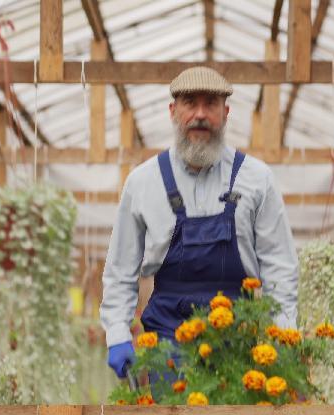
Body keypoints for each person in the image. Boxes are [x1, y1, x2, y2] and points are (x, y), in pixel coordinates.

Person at [100, 66, 298, 379]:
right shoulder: (143, 182)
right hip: (166, 341)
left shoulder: (257, 179)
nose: (201, 114)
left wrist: (283, 334)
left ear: (226, 112)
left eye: (211, 104)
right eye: (190, 103)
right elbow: (121, 267)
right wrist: (117, 332)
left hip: (239, 342)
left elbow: (279, 265)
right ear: (173, 111)